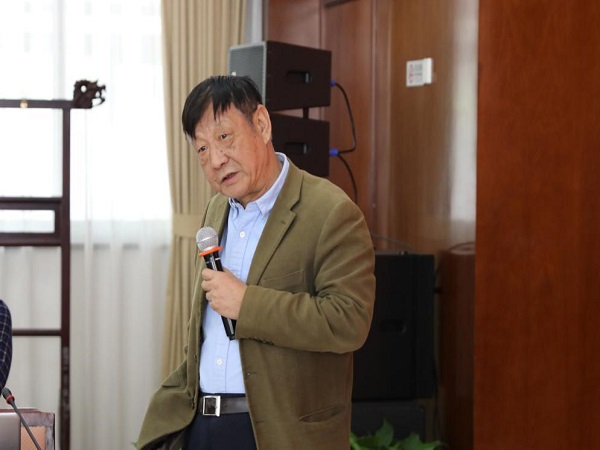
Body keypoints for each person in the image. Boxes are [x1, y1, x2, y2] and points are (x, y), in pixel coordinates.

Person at [137, 75, 375, 450]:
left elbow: (349, 321)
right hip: (201, 427)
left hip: (276, 435)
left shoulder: (330, 211)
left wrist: (247, 304)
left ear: (261, 124)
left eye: (224, 137)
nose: (216, 160)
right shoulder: (215, 211)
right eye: (202, 149)